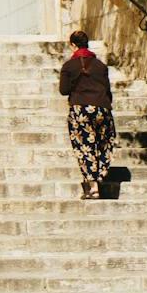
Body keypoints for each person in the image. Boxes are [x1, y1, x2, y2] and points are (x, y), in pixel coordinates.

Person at [58, 29, 114, 198]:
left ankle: (93, 186)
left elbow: (64, 90)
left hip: (80, 108)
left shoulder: (68, 66)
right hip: (102, 107)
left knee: (84, 146)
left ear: (73, 45)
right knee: (104, 143)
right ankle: (101, 174)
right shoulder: (101, 66)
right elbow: (108, 90)